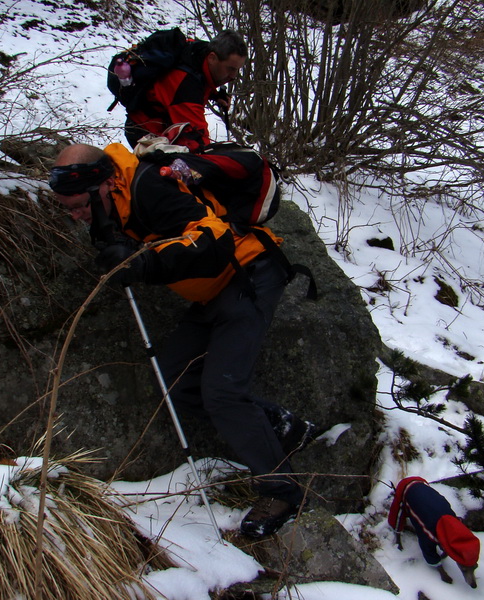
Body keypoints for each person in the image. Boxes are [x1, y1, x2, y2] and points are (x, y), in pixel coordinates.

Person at [49, 142, 320, 538]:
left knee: (222, 393)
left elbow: (213, 238)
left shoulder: (148, 186)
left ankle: (282, 491)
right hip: (212, 291)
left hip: (248, 273)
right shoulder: (111, 204)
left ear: (104, 183)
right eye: (67, 209)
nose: (75, 217)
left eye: (79, 207)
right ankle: (278, 425)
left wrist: (143, 263)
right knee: (173, 378)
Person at [124, 30, 247, 151]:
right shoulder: (186, 85)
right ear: (212, 58)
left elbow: (201, 79)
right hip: (146, 132)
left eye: (237, 69)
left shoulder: (199, 54)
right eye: (230, 68)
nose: (233, 76)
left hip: (166, 125)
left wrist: (214, 95)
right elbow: (197, 138)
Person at [388, 476, 480, 588]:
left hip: (423, 487)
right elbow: (427, 549)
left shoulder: (455, 523)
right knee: (400, 519)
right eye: (464, 570)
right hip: (408, 490)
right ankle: (397, 535)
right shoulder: (431, 532)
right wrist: (442, 572)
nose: (471, 579)